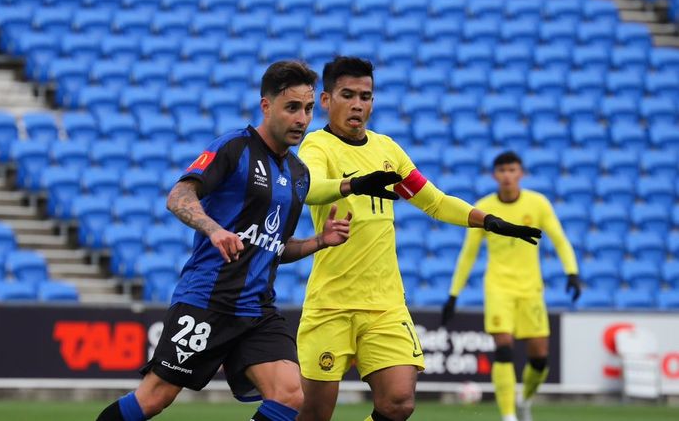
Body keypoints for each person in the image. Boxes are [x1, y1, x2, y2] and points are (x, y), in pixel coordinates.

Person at [95, 61, 396, 421]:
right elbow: (178, 196)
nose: (302, 118)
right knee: (154, 398)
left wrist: (318, 241)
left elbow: (275, 248)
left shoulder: (299, 175)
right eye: (292, 108)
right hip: (210, 301)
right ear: (266, 106)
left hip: (257, 309)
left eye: (308, 108)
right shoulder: (235, 148)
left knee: (289, 394)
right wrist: (214, 229)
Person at [295, 56, 542, 421]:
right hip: (331, 304)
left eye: (366, 96)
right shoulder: (317, 146)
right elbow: (311, 188)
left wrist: (488, 220)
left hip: (386, 305)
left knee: (398, 403)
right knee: (315, 415)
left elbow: (435, 202)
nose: (358, 104)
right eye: (348, 95)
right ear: (327, 100)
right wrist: (354, 184)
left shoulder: (387, 151)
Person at [442, 151, 581, 421]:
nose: (507, 175)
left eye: (512, 170)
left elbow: (560, 239)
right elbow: (468, 253)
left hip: (531, 289)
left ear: (521, 174)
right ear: (495, 175)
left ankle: (525, 400)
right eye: (502, 170)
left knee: (540, 358)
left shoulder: (537, 204)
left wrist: (572, 273)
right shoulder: (484, 207)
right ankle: (508, 416)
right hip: (498, 287)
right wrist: (453, 294)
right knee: (503, 347)